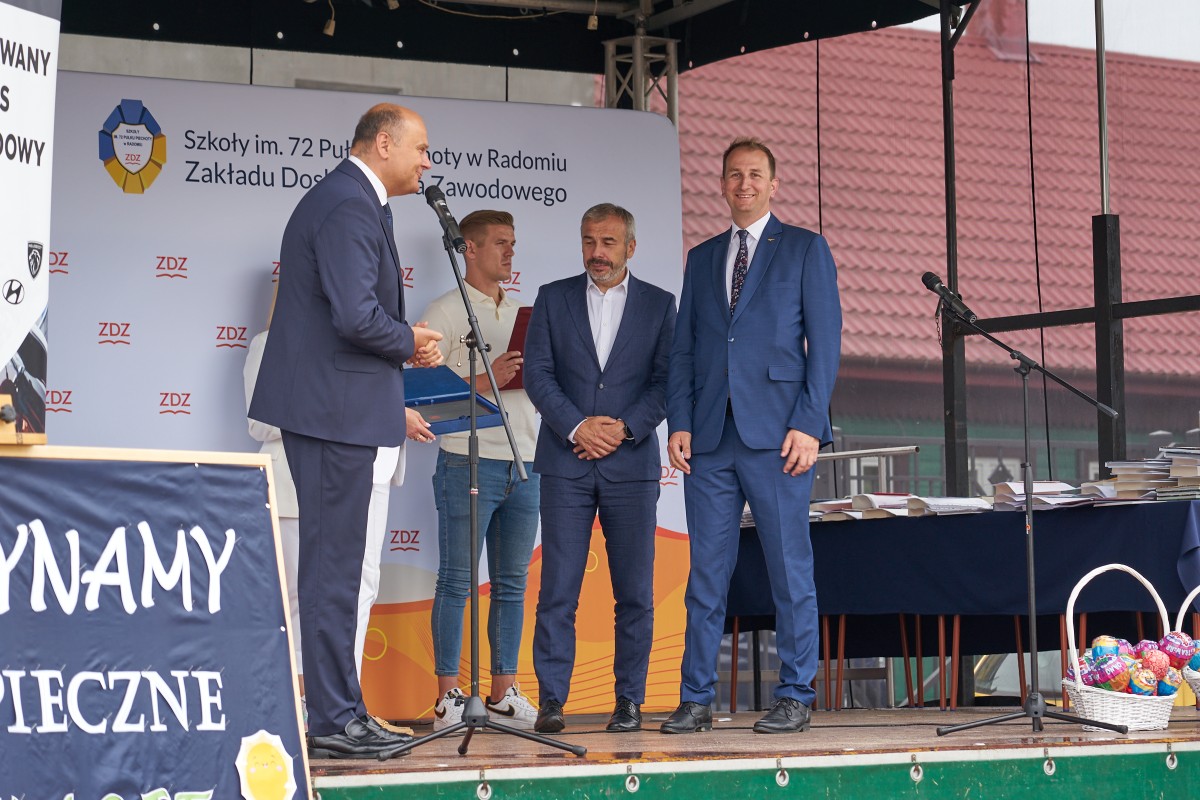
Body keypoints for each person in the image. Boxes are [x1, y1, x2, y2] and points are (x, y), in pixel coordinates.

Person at [248, 103, 444, 759]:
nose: (427, 162)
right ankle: (333, 720)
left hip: (340, 412)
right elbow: (357, 317)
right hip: (334, 414)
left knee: (337, 571)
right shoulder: (347, 205)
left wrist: (403, 344)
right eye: (420, 149)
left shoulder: (357, 202)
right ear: (383, 143)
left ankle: (343, 710)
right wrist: (410, 341)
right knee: (333, 573)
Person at [663, 137, 842, 735]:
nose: (744, 184)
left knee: (789, 571)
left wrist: (810, 424)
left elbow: (825, 345)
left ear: (774, 184)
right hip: (711, 438)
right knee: (705, 576)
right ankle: (696, 698)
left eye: (755, 175)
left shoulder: (806, 249)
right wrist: (680, 421)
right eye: (734, 175)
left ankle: (795, 694)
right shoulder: (702, 257)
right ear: (721, 185)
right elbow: (684, 350)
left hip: (781, 438)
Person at [523, 203, 676, 734]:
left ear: (630, 247)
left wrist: (623, 429)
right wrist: (577, 427)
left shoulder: (660, 304)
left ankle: (629, 700)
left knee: (634, 593)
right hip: (565, 463)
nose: (597, 253)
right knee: (557, 591)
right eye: (589, 241)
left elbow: (666, 382)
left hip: (631, 466)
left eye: (608, 243)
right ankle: (552, 701)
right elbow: (538, 375)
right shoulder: (553, 297)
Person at [243, 303, 434, 709]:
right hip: (299, 485)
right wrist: (380, 411)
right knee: (302, 596)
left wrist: (410, 355)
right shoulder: (269, 343)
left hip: (373, 473)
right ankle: (298, 706)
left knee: (362, 589)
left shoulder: (364, 350)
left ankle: (346, 703)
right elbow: (260, 422)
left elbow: (365, 396)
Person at [418, 210, 542, 731]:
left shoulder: (522, 312)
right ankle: (448, 695)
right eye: (499, 243)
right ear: (468, 249)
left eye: (513, 243)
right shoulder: (444, 311)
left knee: (511, 583)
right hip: (466, 461)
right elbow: (426, 399)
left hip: (526, 460)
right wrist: (487, 381)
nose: (510, 252)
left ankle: (503, 692)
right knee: (457, 581)